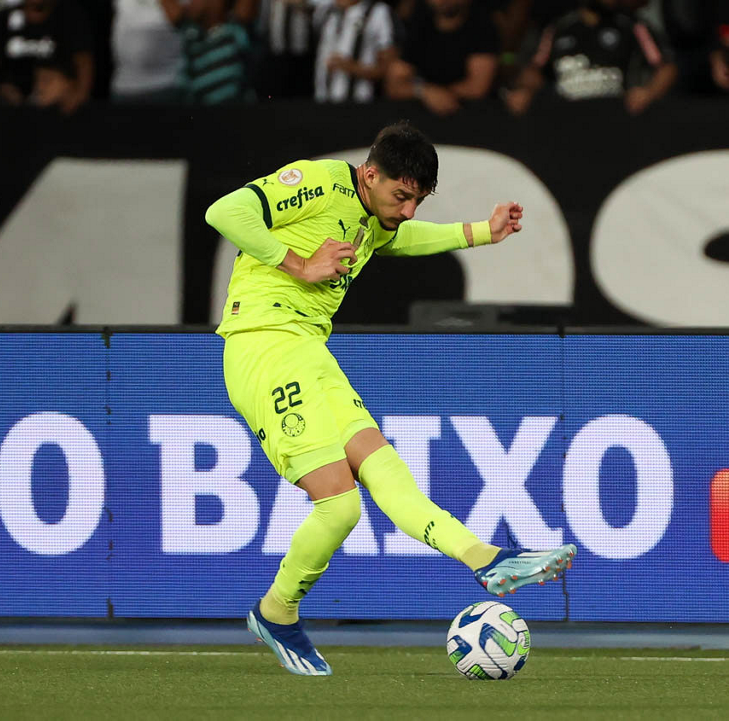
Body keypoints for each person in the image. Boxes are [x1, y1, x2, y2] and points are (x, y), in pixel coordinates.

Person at [205, 120, 577, 675]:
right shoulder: (320, 182)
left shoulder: (375, 218)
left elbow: (401, 240)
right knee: (340, 506)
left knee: (385, 469)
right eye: (401, 196)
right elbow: (226, 212)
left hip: (307, 349)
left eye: (417, 200)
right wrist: (299, 264)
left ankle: (487, 559)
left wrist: (482, 231)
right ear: (369, 174)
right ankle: (275, 613)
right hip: (264, 345)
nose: (407, 210)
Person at [504, 0, 676, 115]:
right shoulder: (559, 28)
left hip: (618, 118)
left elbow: (666, 68)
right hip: (567, 121)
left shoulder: (631, 25)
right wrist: (525, 90)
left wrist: (649, 92)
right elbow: (534, 70)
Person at [384, 0, 499, 116]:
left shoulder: (482, 26)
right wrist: (424, 91)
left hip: (472, 114)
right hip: (422, 116)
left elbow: (477, 88)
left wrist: (438, 94)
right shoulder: (419, 26)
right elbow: (394, 84)